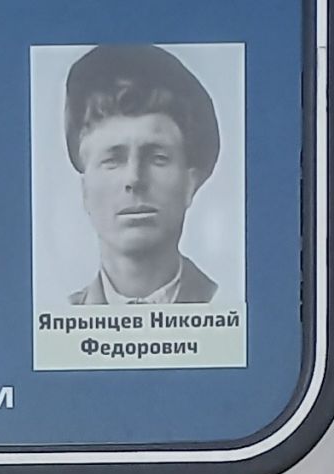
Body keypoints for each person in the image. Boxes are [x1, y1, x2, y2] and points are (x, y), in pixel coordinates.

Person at [60, 43, 220, 306]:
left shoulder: (225, 304)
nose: (134, 179)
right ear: (85, 191)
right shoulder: (60, 315)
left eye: (158, 158)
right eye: (112, 160)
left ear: (190, 183)